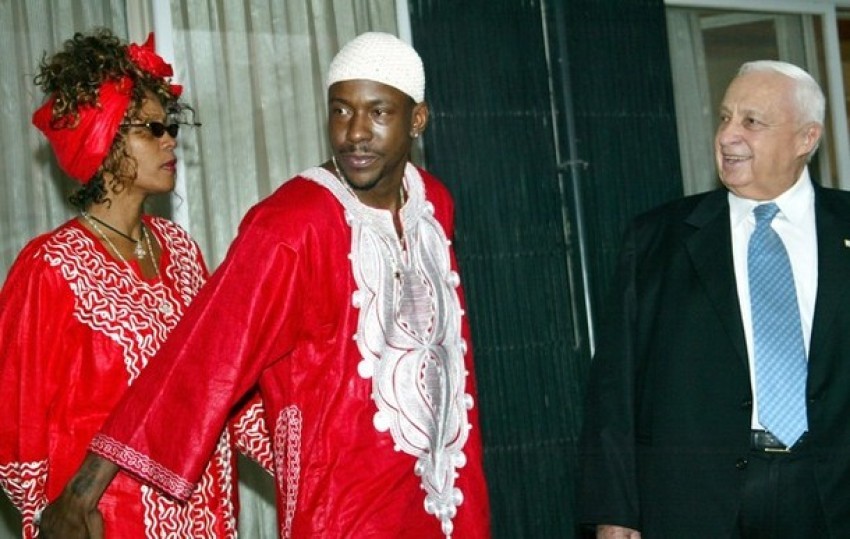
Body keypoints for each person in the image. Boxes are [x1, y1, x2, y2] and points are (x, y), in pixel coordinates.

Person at [39, 31, 491, 538]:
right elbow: (205, 354)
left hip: (448, 500)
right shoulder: (290, 224)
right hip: (344, 515)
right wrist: (81, 493)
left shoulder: (433, 204)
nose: (355, 133)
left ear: (418, 120)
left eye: (379, 113)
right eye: (340, 112)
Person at [0, 29, 270, 538]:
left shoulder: (183, 252)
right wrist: (49, 518)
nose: (170, 139)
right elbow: (15, 426)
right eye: (151, 128)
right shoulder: (50, 268)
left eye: (170, 125)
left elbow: (223, 386)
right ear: (103, 139)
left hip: (207, 519)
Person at [577, 59, 850, 538]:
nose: (728, 136)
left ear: (806, 139)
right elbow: (614, 389)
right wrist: (614, 511)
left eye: (752, 121)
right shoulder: (658, 240)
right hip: (697, 500)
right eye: (724, 117)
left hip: (833, 494)